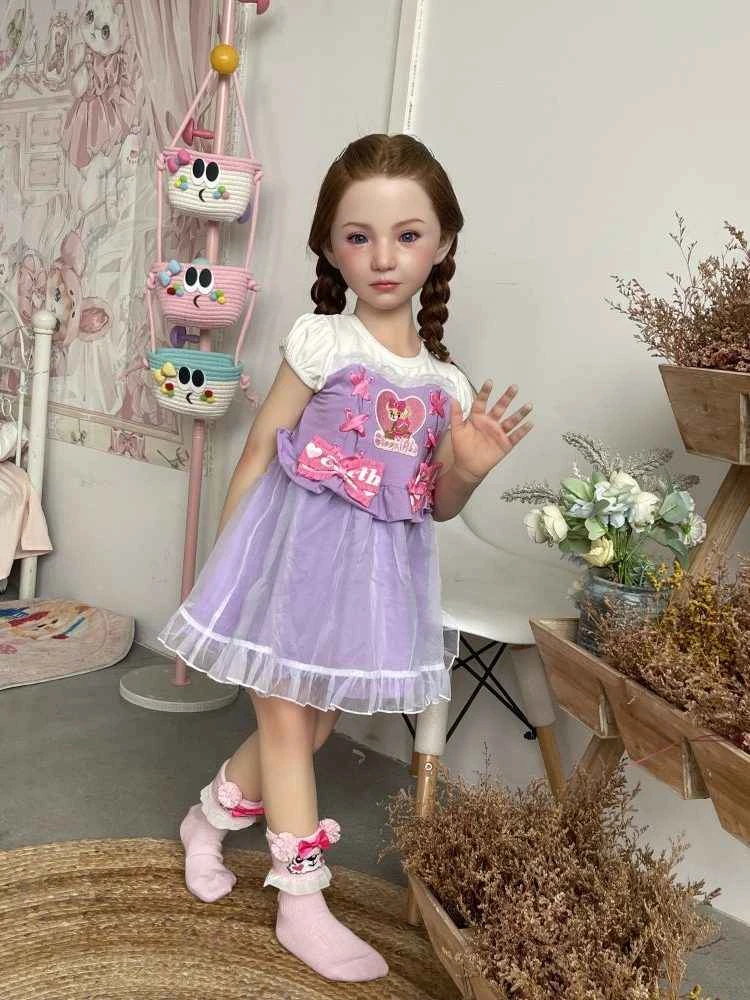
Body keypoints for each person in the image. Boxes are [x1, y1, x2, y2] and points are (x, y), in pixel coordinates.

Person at [158, 133, 534, 983]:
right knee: (288, 722)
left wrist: (468, 470)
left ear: (442, 242)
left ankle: (207, 819)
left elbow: (433, 505)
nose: (383, 257)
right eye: (359, 236)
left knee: (314, 723)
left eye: (407, 234)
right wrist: (231, 567)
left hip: (366, 591)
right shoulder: (322, 341)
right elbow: (261, 448)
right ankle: (301, 900)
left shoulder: (447, 386)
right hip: (288, 566)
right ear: (330, 247)